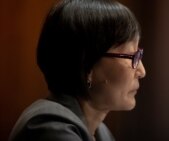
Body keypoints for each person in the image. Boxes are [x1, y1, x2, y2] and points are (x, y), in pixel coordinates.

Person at [9, 0, 146, 141]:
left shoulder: (100, 132)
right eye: (131, 56)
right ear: (87, 65)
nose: (142, 71)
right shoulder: (50, 127)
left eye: (139, 55)